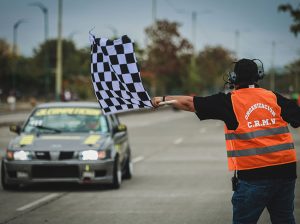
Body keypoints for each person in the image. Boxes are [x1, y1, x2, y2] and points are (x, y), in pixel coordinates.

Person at [151, 58, 300, 224]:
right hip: (286, 173)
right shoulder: (274, 98)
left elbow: (190, 103)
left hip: (253, 176)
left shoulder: (230, 101)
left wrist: (162, 99)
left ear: (233, 78)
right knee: (285, 220)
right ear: (258, 77)